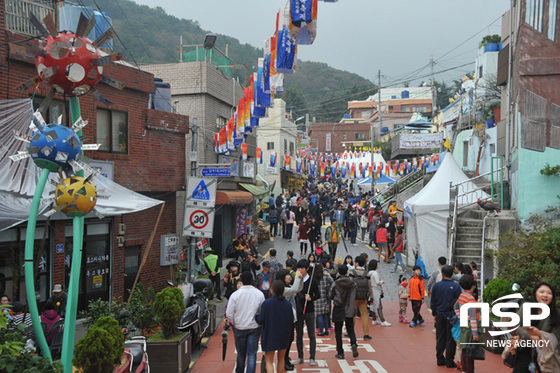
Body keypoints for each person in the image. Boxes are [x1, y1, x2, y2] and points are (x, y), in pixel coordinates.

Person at [510, 282, 560, 372]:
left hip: (546, 356)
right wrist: (531, 336)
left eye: (549, 293)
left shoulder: (556, 315)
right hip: (525, 351)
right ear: (535, 294)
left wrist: (540, 334)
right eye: (542, 292)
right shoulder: (526, 308)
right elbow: (516, 325)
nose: (545, 295)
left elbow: (556, 338)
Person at [226, 271, 265, 373]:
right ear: (252, 280)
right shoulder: (259, 294)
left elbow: (229, 313)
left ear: (241, 281)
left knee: (241, 353)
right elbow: (262, 311)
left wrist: (235, 323)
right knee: (252, 354)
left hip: (240, 327)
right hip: (254, 327)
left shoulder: (235, 295)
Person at [256, 280, 294, 373]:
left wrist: (256, 317)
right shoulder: (287, 303)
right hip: (283, 334)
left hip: (270, 334)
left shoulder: (267, 303)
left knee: (269, 361)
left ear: (272, 290)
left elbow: (261, 320)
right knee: (281, 359)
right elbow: (291, 319)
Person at [430, 265, 462, 368]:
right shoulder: (456, 287)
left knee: (440, 337)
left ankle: (440, 358)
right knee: (451, 338)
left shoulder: (436, 286)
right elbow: (459, 303)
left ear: (442, 274)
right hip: (452, 316)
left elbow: (433, 301)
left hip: (440, 314)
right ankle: (449, 360)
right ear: (452, 274)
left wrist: (434, 313)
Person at [277, 268, 304, 371]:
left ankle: (285, 358)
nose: (290, 277)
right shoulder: (282, 290)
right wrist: (297, 277)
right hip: (284, 319)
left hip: (291, 318)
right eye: (287, 276)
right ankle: (284, 361)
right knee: (286, 341)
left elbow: (298, 288)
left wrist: (300, 279)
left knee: (290, 339)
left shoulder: (287, 287)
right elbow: (295, 289)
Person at [293, 259, 320, 366]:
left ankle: (312, 357)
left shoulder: (312, 281)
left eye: (302, 268)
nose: (299, 270)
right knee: (299, 335)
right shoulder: (295, 279)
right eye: (298, 268)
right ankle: (300, 356)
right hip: (299, 311)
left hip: (309, 310)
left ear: (307, 269)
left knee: (311, 335)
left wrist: (310, 298)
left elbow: (318, 295)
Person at [330, 265, 359, 360]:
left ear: (339, 272)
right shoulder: (352, 283)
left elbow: (330, 295)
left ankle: (340, 352)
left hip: (339, 308)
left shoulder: (336, 283)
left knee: (338, 331)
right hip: (349, 308)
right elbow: (356, 294)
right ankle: (353, 343)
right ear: (347, 272)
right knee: (350, 328)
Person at [453, 275, 480, 373]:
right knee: (470, 350)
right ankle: (469, 370)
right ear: (473, 286)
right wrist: (475, 333)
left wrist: (460, 317)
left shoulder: (462, 295)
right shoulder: (471, 299)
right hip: (469, 327)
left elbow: (455, 307)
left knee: (464, 348)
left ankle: (464, 369)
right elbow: (473, 317)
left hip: (463, 325)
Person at [350, 256, 372, 339]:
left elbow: (350, 284)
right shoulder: (367, 273)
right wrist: (371, 297)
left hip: (354, 297)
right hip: (364, 297)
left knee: (353, 314)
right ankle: (366, 333)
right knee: (364, 315)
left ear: (357, 263)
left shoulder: (352, 272)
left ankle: (350, 332)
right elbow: (370, 286)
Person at [367, 259, 391, 327]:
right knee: (379, 306)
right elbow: (377, 282)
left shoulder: (369, 273)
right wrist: (382, 281)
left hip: (371, 290)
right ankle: (382, 320)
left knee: (373, 305)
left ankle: (374, 319)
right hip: (376, 291)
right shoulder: (375, 273)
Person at [314, 264, 333, 336]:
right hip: (325, 296)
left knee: (319, 315)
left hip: (316, 298)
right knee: (325, 314)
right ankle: (326, 329)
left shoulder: (313, 276)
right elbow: (332, 281)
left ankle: (321, 330)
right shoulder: (326, 276)